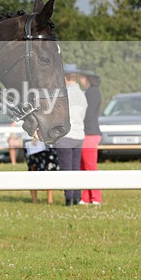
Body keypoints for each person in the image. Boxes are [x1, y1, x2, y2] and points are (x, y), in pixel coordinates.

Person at [55, 64, 87, 206]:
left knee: (66, 169)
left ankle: (69, 198)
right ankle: (76, 197)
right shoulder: (82, 94)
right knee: (75, 167)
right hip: (79, 135)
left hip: (66, 136)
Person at [78, 69, 102, 205]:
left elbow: (87, 114)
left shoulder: (92, 93)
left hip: (90, 133)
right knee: (84, 167)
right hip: (87, 132)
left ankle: (96, 198)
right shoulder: (92, 92)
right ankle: (86, 197)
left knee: (90, 166)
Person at [24, 138, 58, 204]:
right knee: (33, 171)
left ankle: (49, 200)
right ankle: (35, 200)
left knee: (48, 170)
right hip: (31, 141)